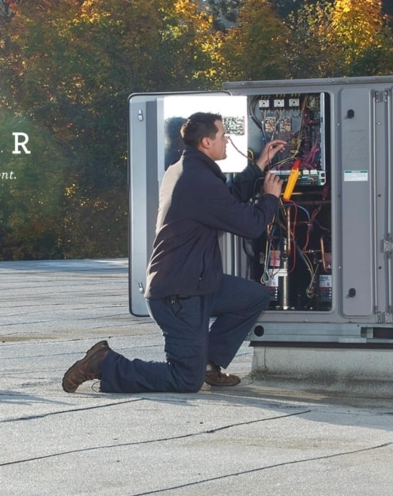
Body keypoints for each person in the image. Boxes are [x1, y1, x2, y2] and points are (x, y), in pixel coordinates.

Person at [63, 112, 285, 393]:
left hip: (199, 282)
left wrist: (258, 167)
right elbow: (250, 225)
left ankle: (207, 362)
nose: (227, 141)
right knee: (184, 380)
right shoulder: (197, 180)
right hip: (178, 295)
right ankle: (105, 364)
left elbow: (224, 201)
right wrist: (270, 198)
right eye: (222, 136)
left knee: (254, 297)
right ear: (206, 142)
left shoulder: (188, 170)